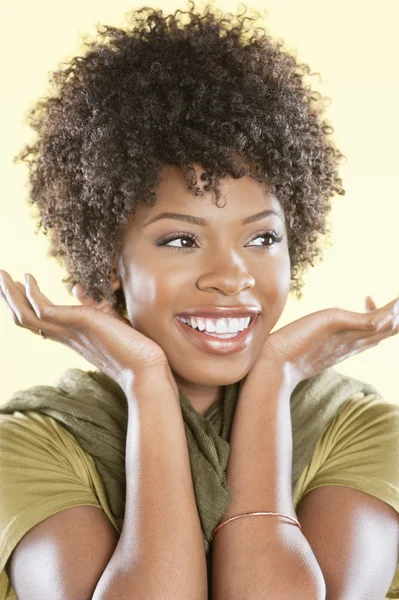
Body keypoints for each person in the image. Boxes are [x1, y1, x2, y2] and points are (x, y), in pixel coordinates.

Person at [0, 2, 398, 599]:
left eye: (261, 237)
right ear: (110, 264)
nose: (231, 276)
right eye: (181, 239)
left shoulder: (362, 430)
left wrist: (274, 378)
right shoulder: (31, 444)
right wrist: (145, 384)